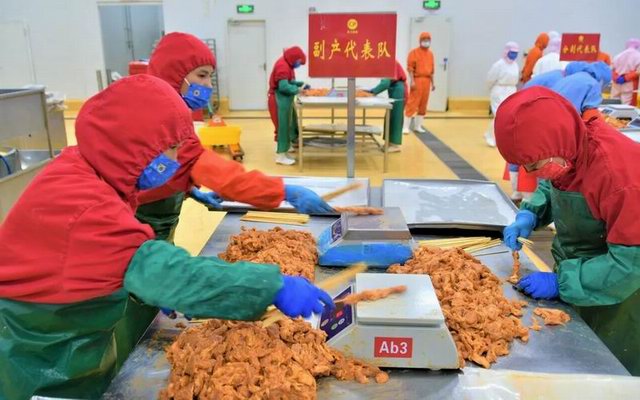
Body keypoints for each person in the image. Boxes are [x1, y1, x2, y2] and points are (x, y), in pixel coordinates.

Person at [0, 76, 334, 399]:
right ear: (134, 147)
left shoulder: (86, 166)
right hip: (42, 354)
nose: (176, 160)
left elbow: (89, 261)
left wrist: (140, 279)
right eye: (171, 148)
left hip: (62, 330)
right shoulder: (86, 206)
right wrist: (271, 287)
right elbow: (175, 274)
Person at [497, 87, 640, 376]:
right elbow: (555, 182)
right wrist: (530, 213)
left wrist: (562, 282)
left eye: (534, 165)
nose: (532, 173)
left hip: (619, 294)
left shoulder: (620, 178)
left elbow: (630, 264)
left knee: (609, 373)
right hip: (580, 279)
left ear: (558, 143)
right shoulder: (569, 148)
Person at [136, 34, 332, 242]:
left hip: (158, 218)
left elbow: (168, 169)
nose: (208, 86)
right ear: (174, 74)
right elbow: (220, 174)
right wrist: (285, 192)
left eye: (210, 77)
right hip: (140, 225)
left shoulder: (167, 111)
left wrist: (189, 189)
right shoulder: (162, 122)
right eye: (202, 76)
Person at [268, 46, 307, 165]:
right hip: (278, 99)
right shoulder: (283, 66)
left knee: (287, 125)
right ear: (294, 58)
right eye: (299, 62)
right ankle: (280, 157)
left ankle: (284, 151)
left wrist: (299, 84)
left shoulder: (287, 63)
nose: (298, 64)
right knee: (282, 127)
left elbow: (288, 80)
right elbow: (284, 86)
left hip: (283, 100)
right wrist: (298, 90)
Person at [484, 41, 520, 148]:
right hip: (499, 91)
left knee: (509, 116)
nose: (514, 55)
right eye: (512, 52)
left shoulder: (515, 65)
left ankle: (493, 135)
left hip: (511, 91)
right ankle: (491, 137)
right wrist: (492, 90)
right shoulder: (498, 65)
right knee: (498, 115)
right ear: (506, 51)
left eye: (516, 53)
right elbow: (490, 79)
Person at [368, 61, 408, 151]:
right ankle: (389, 143)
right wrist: (371, 91)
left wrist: (372, 92)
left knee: (396, 117)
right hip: (395, 89)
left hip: (399, 91)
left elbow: (385, 83)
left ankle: (394, 145)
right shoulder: (387, 62)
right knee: (390, 117)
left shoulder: (389, 62)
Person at [405, 32, 435, 134]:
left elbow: (432, 70)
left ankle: (418, 126)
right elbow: (410, 68)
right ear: (420, 41)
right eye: (424, 40)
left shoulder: (430, 54)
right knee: (413, 102)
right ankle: (405, 127)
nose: (426, 42)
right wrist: (412, 81)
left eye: (428, 40)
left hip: (427, 81)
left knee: (423, 103)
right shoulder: (414, 53)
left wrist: (433, 83)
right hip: (417, 80)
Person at [611, 38, 640, 106]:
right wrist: (625, 78)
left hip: (616, 85)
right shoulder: (638, 56)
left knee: (613, 104)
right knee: (626, 107)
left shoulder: (618, 56)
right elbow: (638, 72)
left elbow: (612, 69)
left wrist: (617, 78)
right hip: (629, 85)